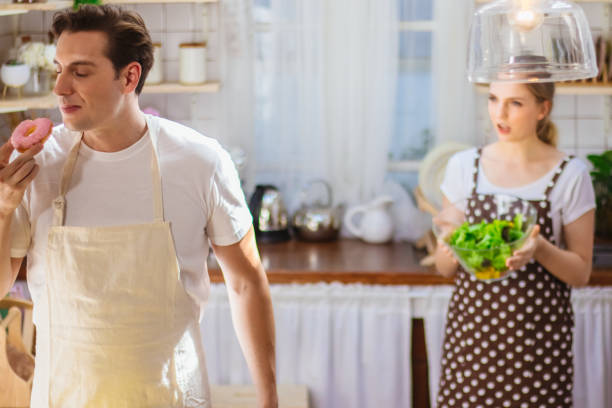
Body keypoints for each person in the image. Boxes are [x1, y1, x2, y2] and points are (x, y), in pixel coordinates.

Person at [0, 5, 277, 407]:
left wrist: (269, 400)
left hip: (173, 398)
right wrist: (4, 205)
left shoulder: (201, 161)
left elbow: (246, 282)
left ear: (129, 76)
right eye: (58, 68)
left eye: (80, 72)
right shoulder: (37, 164)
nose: (59, 88)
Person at [434, 81, 595, 407]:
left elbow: (581, 273)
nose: (500, 113)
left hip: (538, 350)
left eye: (515, 103)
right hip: (471, 348)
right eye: (494, 99)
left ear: (542, 109)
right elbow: (444, 269)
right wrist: (451, 244)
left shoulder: (571, 175)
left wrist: (540, 249)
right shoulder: (465, 167)